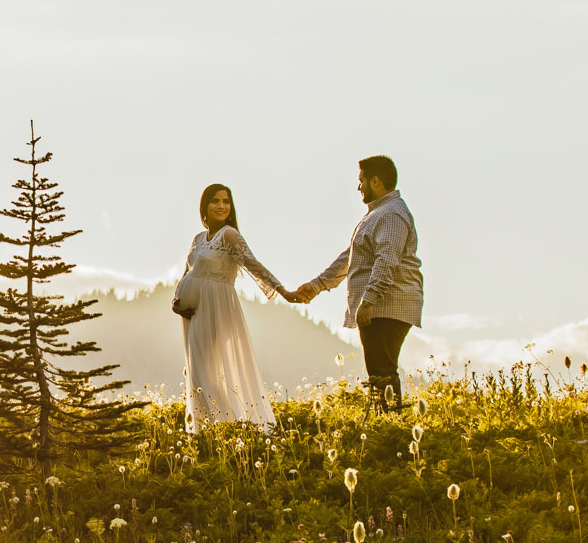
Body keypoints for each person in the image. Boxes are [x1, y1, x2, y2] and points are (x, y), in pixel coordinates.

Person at [289, 155, 423, 412]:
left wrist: (369, 301)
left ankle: (389, 427)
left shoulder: (391, 215)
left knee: (382, 371)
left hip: (387, 306)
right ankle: (385, 422)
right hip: (382, 305)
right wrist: (317, 285)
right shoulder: (377, 215)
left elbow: (387, 261)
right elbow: (351, 257)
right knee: (379, 370)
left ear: (375, 180)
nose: (358, 187)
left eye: (361, 180)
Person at [173, 183, 287, 428]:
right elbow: (186, 272)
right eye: (216, 201)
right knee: (197, 370)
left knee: (210, 369)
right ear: (205, 206)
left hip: (218, 307)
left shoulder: (229, 235)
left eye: (226, 201)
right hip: (193, 313)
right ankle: (206, 428)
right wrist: (176, 299)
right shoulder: (198, 239)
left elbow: (252, 264)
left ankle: (231, 423)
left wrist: (280, 289)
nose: (222, 206)